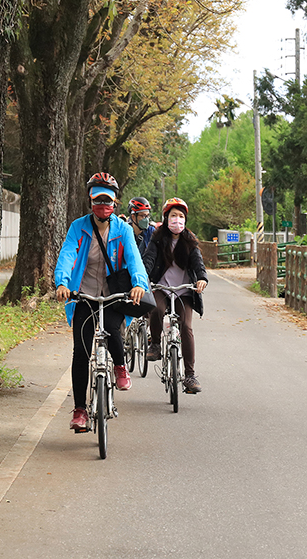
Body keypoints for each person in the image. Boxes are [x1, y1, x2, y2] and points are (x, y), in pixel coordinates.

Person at [55, 172, 152, 432]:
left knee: (112, 331)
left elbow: (134, 260)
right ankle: (79, 410)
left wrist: (139, 284)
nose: (102, 204)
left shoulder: (122, 229)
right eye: (97, 198)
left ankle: (120, 367)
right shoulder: (78, 226)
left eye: (107, 199)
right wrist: (62, 283)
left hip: (113, 295)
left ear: (115, 203)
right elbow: (66, 254)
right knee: (81, 353)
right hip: (84, 294)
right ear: (90, 201)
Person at [141, 197, 208, 393]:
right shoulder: (158, 238)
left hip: (184, 291)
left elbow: (198, 264)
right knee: (156, 310)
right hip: (162, 288)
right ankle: (155, 344)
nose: (176, 219)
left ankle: (189, 375)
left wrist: (201, 279)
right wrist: (143, 278)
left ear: (185, 219)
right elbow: (149, 260)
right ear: (166, 218)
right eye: (173, 216)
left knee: (186, 327)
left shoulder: (190, 241)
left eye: (180, 216)